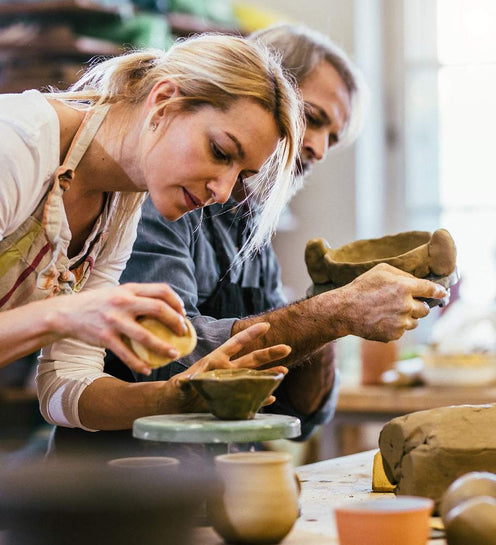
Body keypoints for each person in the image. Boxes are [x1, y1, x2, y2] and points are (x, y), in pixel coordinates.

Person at [94, 24, 449, 441]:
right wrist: (333, 311)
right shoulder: (161, 191)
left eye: (331, 138)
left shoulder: (249, 221)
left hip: (213, 485)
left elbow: (298, 413)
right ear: (265, 94)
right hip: (118, 485)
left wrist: (331, 297)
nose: (317, 148)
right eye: (311, 120)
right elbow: (173, 361)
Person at [0, 33, 306, 434]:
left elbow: (65, 390)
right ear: (163, 102)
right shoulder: (17, 143)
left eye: (241, 174)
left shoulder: (120, 206)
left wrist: (178, 394)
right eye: (220, 151)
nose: (223, 191)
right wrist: (68, 314)